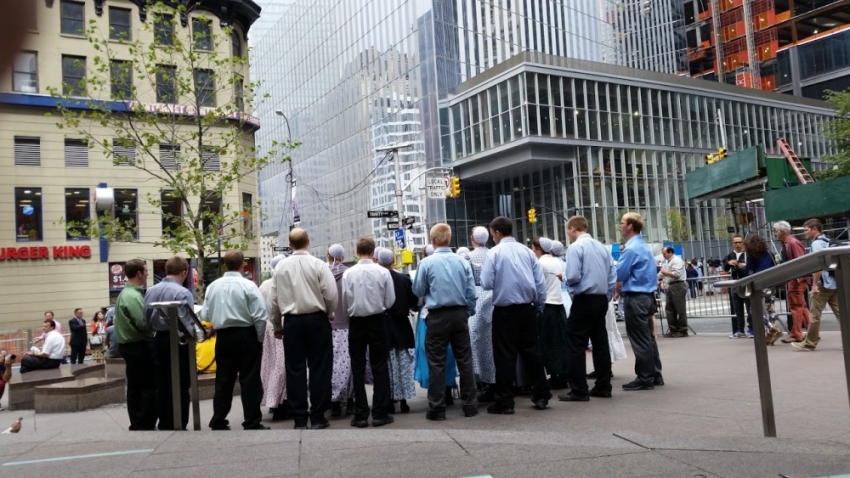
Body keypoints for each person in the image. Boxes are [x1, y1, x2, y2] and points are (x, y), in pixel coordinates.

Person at [480, 216, 552, 414]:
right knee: (533, 353)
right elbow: (539, 283)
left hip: (504, 311)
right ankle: (541, 395)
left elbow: (486, 282)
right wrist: (537, 306)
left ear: (496, 232)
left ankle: (505, 401)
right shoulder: (527, 252)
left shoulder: (494, 253)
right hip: (527, 309)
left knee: (504, 356)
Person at [269, 229, 337, 430]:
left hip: (292, 322)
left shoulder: (280, 268)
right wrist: (328, 312)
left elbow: (273, 300)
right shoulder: (318, 265)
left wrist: (277, 325)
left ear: (290, 245)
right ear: (308, 241)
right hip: (317, 320)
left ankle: (299, 418)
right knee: (320, 368)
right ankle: (318, 416)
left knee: (295, 370)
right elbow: (331, 294)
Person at [412, 223, 478, 421]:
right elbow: (471, 292)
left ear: (433, 241)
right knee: (465, 360)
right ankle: (470, 406)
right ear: (449, 239)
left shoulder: (427, 263)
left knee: (436, 362)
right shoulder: (462, 261)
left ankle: (437, 408)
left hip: (437, 315)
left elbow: (418, 290)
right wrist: (467, 312)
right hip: (459, 314)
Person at [203, 251, 269, 431]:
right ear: (243, 265)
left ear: (225, 265)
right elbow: (260, 316)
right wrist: (259, 337)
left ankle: (218, 419)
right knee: (250, 380)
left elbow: (205, 314)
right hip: (247, 335)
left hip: (223, 337)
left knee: (223, 381)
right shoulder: (248, 285)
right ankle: (252, 420)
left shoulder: (213, 286)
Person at [558, 216, 617, 402]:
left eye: (568, 230)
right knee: (600, 343)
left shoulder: (575, 248)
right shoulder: (602, 247)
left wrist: (564, 278)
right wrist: (606, 297)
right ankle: (603, 386)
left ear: (574, 228)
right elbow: (611, 276)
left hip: (584, 299)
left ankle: (579, 389)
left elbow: (574, 275)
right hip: (600, 299)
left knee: (575, 343)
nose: (567, 234)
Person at [342, 237, 396, 428]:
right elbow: (390, 300)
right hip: (377, 320)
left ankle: (361, 414)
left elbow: (345, 302)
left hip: (356, 322)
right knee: (379, 365)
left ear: (357, 252)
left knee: (357, 367)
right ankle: (380, 413)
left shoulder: (349, 274)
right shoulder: (382, 272)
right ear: (374, 253)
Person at [143, 256, 194, 431]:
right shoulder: (183, 293)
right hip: (179, 340)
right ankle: (179, 421)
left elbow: (146, 320)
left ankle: (165, 421)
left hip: (159, 340)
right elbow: (188, 322)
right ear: (184, 272)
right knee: (181, 382)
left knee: (162, 382)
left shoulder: (151, 291)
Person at [616, 212, 664, 391]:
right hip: (647, 296)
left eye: (622, 223)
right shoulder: (643, 246)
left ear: (630, 226)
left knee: (639, 338)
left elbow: (619, 274)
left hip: (635, 297)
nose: (620, 226)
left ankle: (645, 377)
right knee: (648, 338)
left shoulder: (630, 249)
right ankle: (655, 374)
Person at [114, 259, 156, 430]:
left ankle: (138, 421)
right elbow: (144, 323)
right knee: (145, 386)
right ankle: (143, 421)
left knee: (135, 385)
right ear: (139, 274)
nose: (147, 273)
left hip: (130, 346)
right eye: (146, 271)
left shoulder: (126, 294)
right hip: (138, 346)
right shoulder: (133, 297)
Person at [414, 245, 459, 401]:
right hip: (455, 313)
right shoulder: (456, 262)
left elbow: (418, 293)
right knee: (449, 352)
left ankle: (435, 393)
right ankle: (448, 388)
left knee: (429, 354)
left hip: (429, 315)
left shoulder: (425, 264)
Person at [377, 249, 418, 414]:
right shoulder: (403, 279)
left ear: (379, 261)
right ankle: (404, 400)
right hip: (402, 325)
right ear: (393, 260)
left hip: (385, 325)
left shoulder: (378, 278)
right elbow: (413, 300)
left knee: (389, 364)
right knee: (403, 363)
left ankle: (390, 398)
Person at [794, 219, 842, 351]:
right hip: (834, 283)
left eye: (806, 230)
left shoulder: (816, 245)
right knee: (842, 314)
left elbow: (818, 267)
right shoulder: (827, 241)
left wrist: (815, 285)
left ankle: (810, 343)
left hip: (822, 284)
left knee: (814, 315)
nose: (804, 233)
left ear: (815, 229)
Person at [531, 237, 570, 390]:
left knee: (548, 344)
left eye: (534, 249)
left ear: (538, 249)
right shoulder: (556, 261)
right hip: (559, 305)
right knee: (560, 343)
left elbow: (537, 286)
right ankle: (562, 374)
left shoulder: (540, 263)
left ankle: (555, 376)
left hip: (547, 306)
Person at [466, 226, 496, 400]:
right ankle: (494, 379)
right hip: (494, 297)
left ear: (472, 239)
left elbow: (468, 281)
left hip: (477, 298)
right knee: (493, 342)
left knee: (475, 341)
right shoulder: (493, 253)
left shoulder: (468, 256)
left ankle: (480, 377)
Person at [326, 245, 355, 417]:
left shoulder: (322, 273)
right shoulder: (349, 273)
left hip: (328, 325)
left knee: (330, 365)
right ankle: (350, 399)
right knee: (348, 365)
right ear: (343, 257)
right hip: (347, 324)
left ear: (328, 256)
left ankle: (334, 401)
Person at [259, 254, 289, 421]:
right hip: (281, 330)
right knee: (282, 368)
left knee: (269, 368)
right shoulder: (283, 283)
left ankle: (272, 401)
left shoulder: (263, 285)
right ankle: (281, 402)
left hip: (268, 331)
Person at [774, 221, 811, 343]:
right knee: (801, 306)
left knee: (796, 306)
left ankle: (796, 334)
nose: (775, 233)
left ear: (782, 231)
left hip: (796, 279)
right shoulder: (789, 242)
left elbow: (801, 261)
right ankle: (812, 332)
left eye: (776, 231)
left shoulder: (792, 243)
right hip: (797, 279)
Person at [743, 235, 783, 345]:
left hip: (758, 284)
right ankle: (770, 334)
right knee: (770, 308)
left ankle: (771, 328)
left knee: (754, 310)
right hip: (771, 283)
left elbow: (749, 271)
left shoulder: (751, 256)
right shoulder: (770, 253)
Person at [724, 236, 752, 338]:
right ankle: (740, 330)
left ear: (743, 243)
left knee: (750, 307)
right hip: (735, 283)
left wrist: (745, 265)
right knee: (737, 309)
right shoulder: (730, 255)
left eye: (740, 242)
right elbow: (726, 268)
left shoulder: (747, 254)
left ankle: (751, 329)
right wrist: (729, 263)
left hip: (746, 282)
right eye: (736, 242)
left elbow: (753, 266)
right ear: (732, 243)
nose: (738, 244)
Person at [658, 246, 688, 338]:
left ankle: (682, 330)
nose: (663, 256)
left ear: (670, 252)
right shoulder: (669, 262)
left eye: (664, 254)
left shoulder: (676, 260)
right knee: (669, 308)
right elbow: (661, 274)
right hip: (671, 286)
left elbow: (677, 274)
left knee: (680, 309)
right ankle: (673, 329)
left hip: (678, 285)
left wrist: (665, 272)